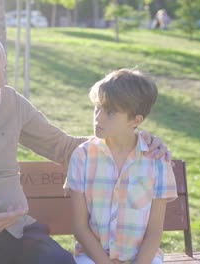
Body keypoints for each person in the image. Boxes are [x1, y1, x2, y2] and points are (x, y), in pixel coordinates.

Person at [0, 24, 170, 264]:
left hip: (17, 234)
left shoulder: (11, 104)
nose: (2, 82)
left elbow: (64, 148)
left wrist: (134, 140)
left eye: (3, 71)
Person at [64, 69, 177, 264]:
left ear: (136, 120)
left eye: (110, 112)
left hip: (143, 259)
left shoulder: (157, 161)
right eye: (97, 107)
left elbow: (154, 232)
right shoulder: (82, 156)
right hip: (92, 257)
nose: (98, 118)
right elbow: (80, 227)